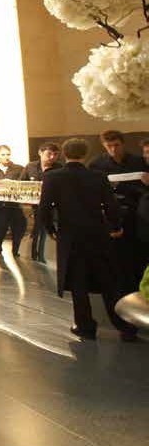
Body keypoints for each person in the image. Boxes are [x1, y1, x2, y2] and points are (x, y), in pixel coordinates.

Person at [39, 138, 138, 342]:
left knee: (78, 283)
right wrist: (116, 226)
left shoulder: (53, 177)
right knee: (108, 281)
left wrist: (50, 229)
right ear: (85, 154)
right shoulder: (98, 176)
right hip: (97, 234)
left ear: (64, 154)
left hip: (70, 236)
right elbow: (111, 206)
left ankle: (85, 327)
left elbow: (45, 208)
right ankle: (124, 326)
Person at [89, 130, 149, 294]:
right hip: (112, 214)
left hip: (138, 213)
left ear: (123, 144)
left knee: (138, 252)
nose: (113, 150)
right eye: (109, 146)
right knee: (116, 254)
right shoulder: (97, 164)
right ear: (104, 146)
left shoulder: (137, 161)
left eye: (117, 145)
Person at [23, 142, 63, 262]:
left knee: (49, 229)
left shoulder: (59, 168)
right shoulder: (30, 166)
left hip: (53, 205)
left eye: (55, 154)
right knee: (37, 228)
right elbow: (22, 182)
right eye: (49, 154)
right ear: (40, 153)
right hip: (35, 203)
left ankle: (44, 255)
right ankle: (35, 255)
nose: (52, 157)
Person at [0, 144, 26, 258]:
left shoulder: (19, 168)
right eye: (3, 154)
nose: (6, 157)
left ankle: (15, 250)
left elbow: (22, 183)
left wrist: (12, 184)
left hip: (14, 204)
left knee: (19, 227)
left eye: (8, 154)